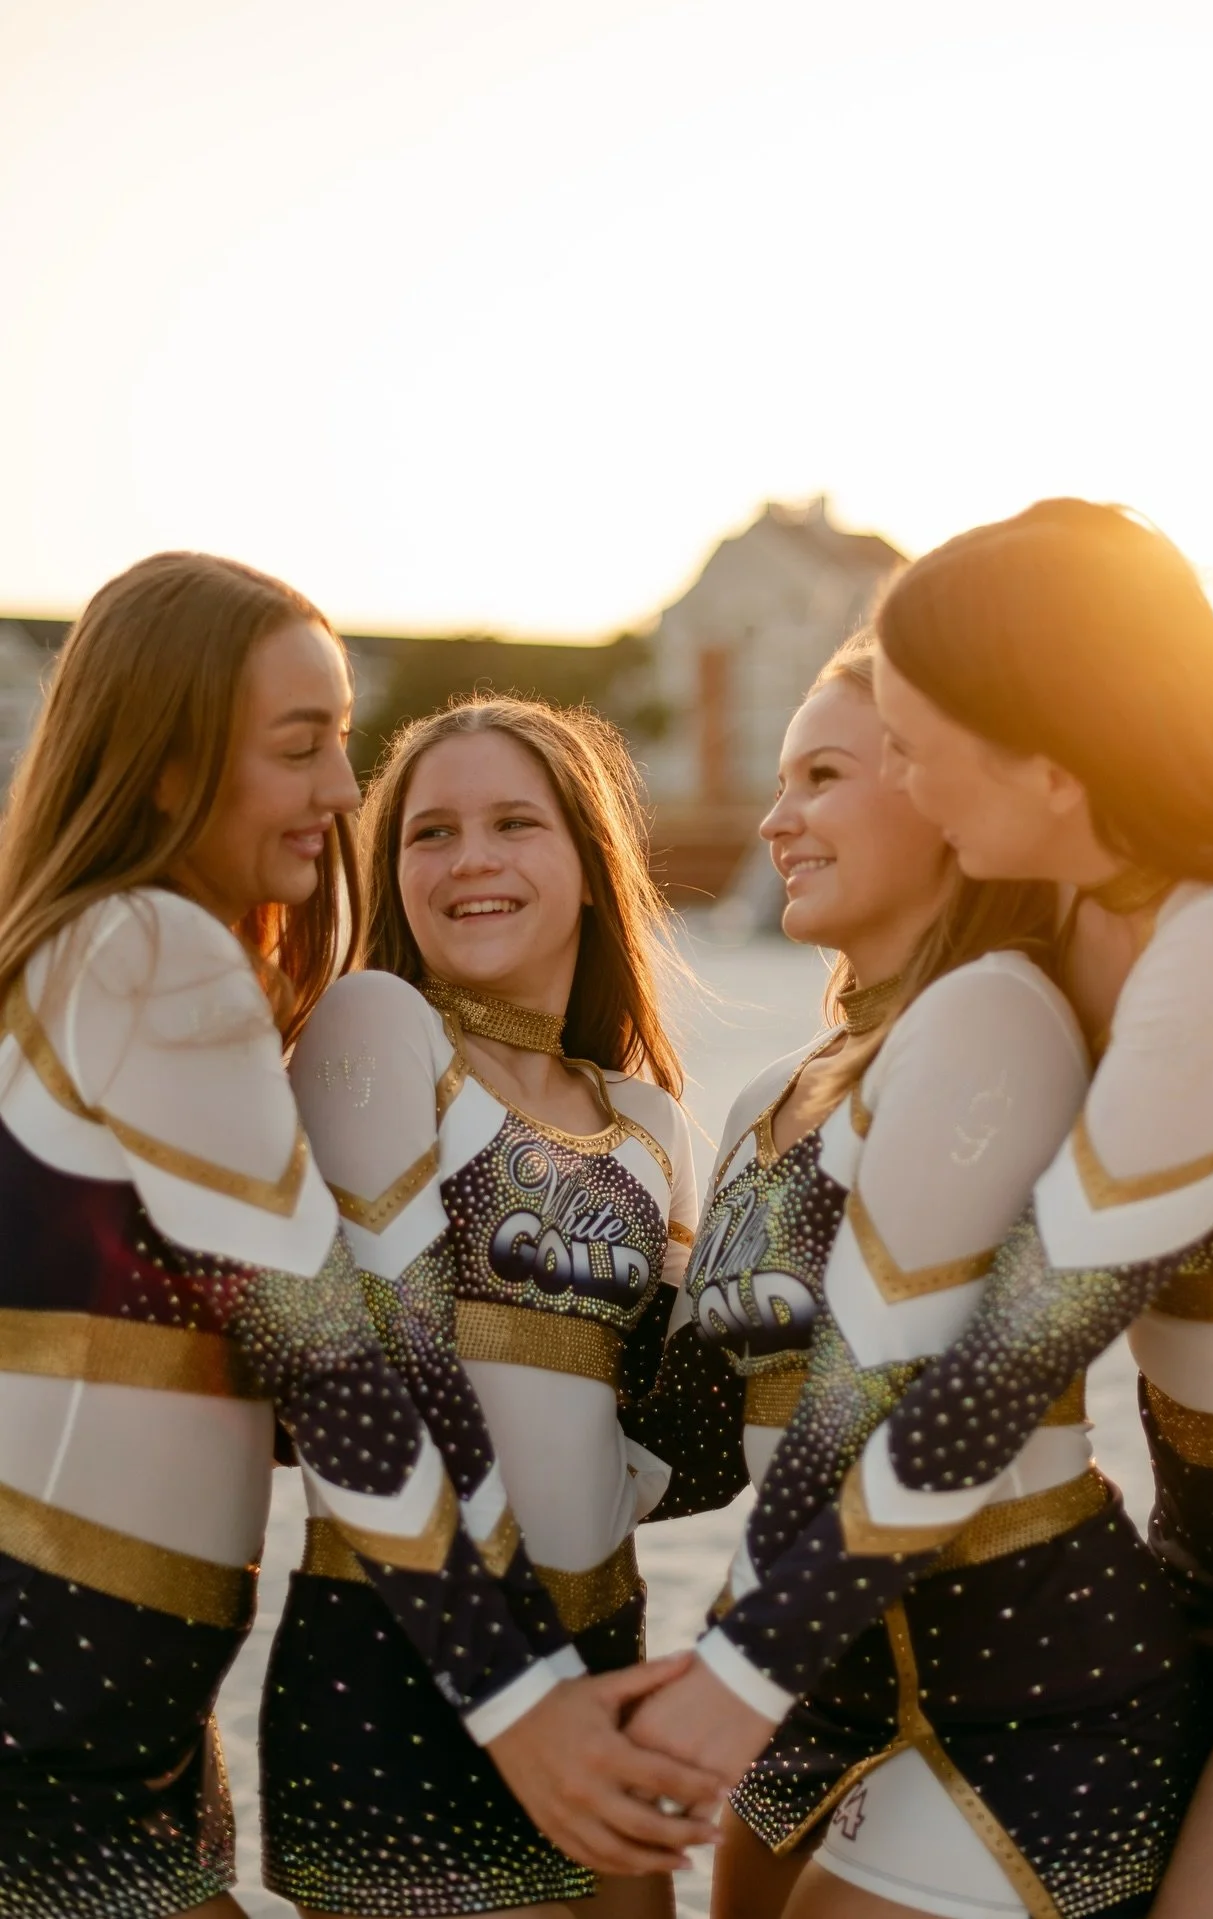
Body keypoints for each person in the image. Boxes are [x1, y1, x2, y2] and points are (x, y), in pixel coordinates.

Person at [640, 499, 1213, 1919]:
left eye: (918, 738)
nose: (908, 771)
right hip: (1207, 1554)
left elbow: (1008, 1354)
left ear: (1046, 751)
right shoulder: (1075, 919)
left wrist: (743, 1664)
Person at [0, 555, 717, 1919]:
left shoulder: (102, 959)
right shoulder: (153, 951)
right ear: (166, 762)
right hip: (79, 1710)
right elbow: (336, 1361)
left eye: (340, 739)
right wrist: (519, 1703)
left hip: (124, 1730)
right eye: (304, 743)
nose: (346, 787)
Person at [630, 632, 1202, 1919]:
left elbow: (879, 1399)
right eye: (781, 782)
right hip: (811, 1671)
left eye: (822, 775)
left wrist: (728, 1667)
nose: (778, 819)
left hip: (1022, 1681)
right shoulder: (774, 1092)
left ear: (942, 793)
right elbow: (695, 1436)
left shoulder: (998, 1010)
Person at [261, 697, 704, 1919]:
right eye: (429, 834)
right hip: (405, 1658)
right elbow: (383, 1382)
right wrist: (518, 1678)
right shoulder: (372, 1024)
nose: (470, 861)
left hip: (604, 1650)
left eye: (514, 822)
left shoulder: (647, 1117)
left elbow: (671, 1433)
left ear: (588, 860)